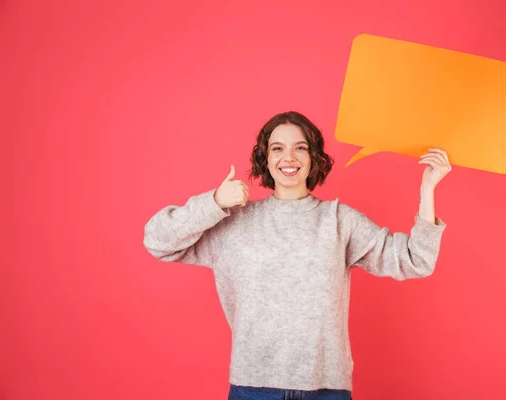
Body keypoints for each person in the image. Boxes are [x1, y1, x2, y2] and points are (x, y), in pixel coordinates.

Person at [143, 111, 451, 400]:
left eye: (300, 148)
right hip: (253, 387)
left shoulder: (338, 221)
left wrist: (428, 188)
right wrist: (213, 202)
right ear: (266, 158)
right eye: (277, 148)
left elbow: (415, 259)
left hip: (326, 389)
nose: (288, 157)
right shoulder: (233, 222)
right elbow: (158, 241)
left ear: (313, 157)